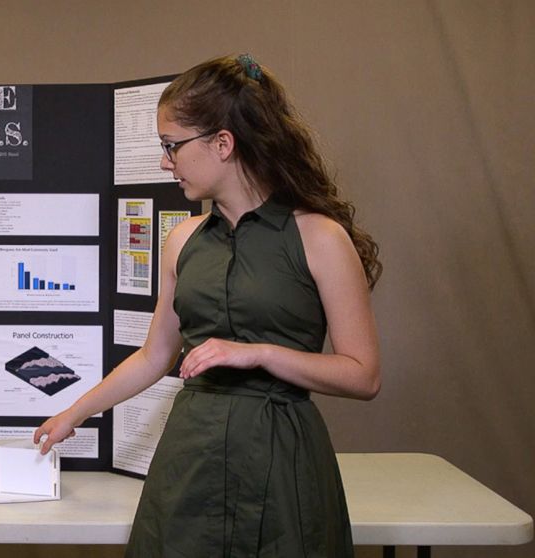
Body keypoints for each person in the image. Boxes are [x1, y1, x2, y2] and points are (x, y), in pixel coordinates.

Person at [34, 54, 382, 557]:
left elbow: (363, 374)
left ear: (223, 144)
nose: (163, 161)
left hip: (282, 458)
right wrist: (74, 412)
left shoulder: (320, 238)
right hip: (190, 457)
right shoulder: (182, 241)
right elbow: (155, 356)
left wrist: (257, 352)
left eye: (171, 145)